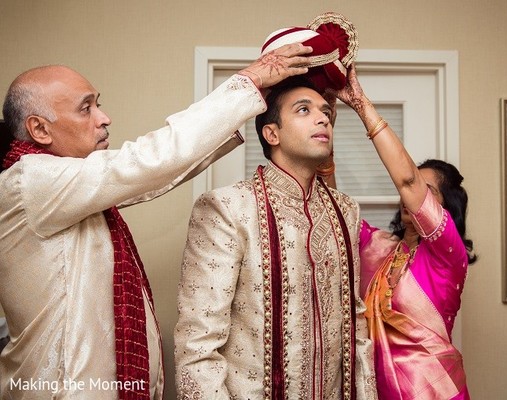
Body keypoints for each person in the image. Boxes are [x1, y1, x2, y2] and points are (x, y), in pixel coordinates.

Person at [0, 43, 312, 400]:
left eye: (98, 104)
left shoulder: (71, 189)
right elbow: (149, 162)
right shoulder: (30, 181)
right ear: (40, 129)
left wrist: (248, 102)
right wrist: (249, 82)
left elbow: (152, 177)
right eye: (86, 108)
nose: (103, 118)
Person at [174, 77, 377, 400]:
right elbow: (197, 347)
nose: (323, 117)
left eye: (325, 111)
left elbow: (356, 324)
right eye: (303, 110)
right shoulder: (227, 209)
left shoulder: (345, 211)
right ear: (272, 134)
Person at [322, 66, 477, 399]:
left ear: (445, 207)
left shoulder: (448, 257)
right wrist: (325, 134)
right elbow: (333, 208)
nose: (411, 195)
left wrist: (362, 105)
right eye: (412, 186)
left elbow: (407, 180)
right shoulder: (378, 249)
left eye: (426, 189)